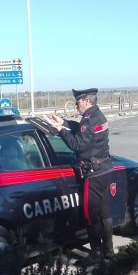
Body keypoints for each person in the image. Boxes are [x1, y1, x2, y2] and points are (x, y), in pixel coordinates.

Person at [46, 88, 114, 262]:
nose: (76, 105)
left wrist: (61, 130)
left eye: (77, 102)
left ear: (85, 100)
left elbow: (77, 144)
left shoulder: (89, 121)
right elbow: (83, 130)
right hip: (105, 169)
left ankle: (96, 253)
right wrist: (66, 123)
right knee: (105, 213)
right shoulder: (98, 116)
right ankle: (109, 250)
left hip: (93, 174)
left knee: (91, 215)